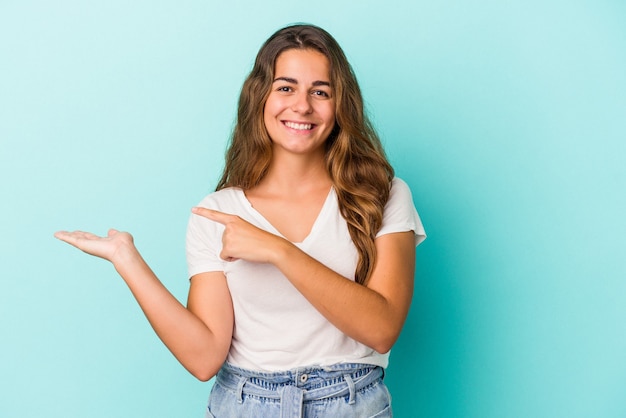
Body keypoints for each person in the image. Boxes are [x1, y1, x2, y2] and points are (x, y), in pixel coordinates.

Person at [55, 24, 425, 418]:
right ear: (260, 98)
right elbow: (203, 359)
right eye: (285, 87)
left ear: (341, 105)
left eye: (320, 91)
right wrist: (126, 259)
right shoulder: (217, 213)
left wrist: (278, 250)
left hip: (350, 403)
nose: (302, 105)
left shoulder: (382, 195)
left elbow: (382, 329)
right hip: (245, 404)